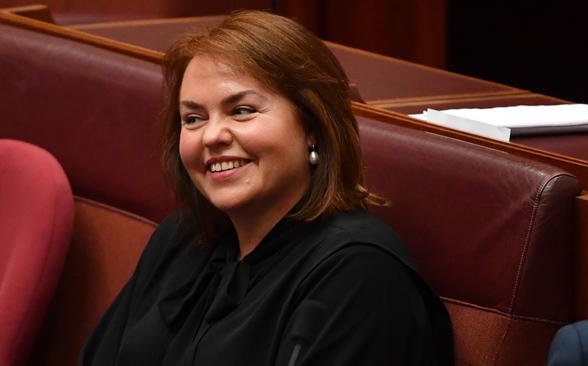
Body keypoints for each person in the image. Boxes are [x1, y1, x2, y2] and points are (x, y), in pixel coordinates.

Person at [80, 10, 453, 365]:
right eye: (193, 118)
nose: (212, 135)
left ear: (312, 126)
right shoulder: (180, 239)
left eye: (242, 110)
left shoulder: (359, 275)